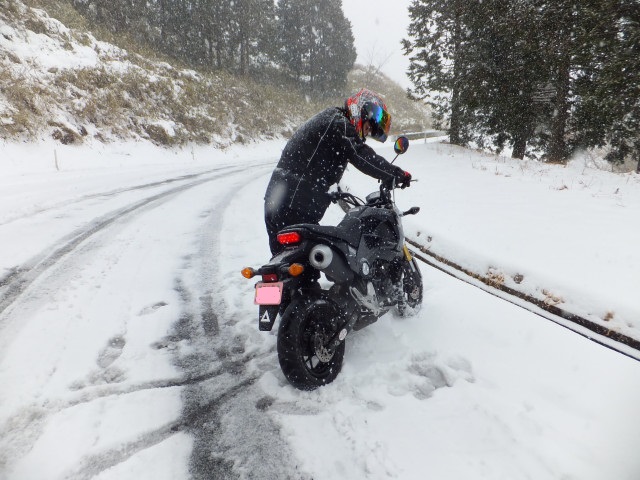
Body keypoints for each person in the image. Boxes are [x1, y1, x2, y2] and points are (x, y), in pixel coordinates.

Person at [264, 88, 412, 256]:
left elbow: (315, 164)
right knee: (313, 264)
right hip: (296, 204)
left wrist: (331, 192)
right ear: (360, 110)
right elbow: (361, 155)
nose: (367, 131)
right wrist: (395, 173)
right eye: (368, 126)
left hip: (277, 201)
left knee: (286, 266)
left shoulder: (330, 120)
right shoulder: (338, 122)